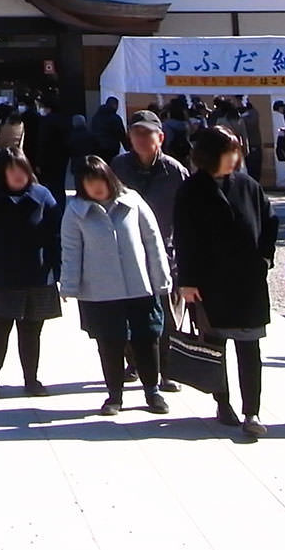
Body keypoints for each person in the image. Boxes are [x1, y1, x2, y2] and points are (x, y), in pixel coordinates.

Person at [174, 124, 278, 439]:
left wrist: (265, 259)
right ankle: (223, 402)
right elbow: (185, 237)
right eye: (229, 151)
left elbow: (270, 222)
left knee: (250, 348)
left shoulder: (248, 185)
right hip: (210, 282)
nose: (235, 157)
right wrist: (188, 280)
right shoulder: (191, 190)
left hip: (247, 281)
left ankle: (252, 410)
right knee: (214, 347)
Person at [60, 155, 170, 416]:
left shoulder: (132, 201)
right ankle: (114, 395)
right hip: (100, 292)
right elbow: (71, 250)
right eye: (89, 181)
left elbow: (152, 241)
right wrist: (69, 285)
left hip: (139, 287)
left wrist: (161, 278)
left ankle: (152, 391)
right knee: (109, 342)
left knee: (147, 338)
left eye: (99, 179)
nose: (96, 186)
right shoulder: (76, 211)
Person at [0, 148, 60, 398]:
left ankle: (31, 379)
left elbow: (57, 238)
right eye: (11, 170)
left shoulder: (43, 197)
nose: (18, 175)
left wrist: (61, 272)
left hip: (37, 275)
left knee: (31, 331)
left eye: (22, 168)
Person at [110, 109, 188, 393]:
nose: (141, 139)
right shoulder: (118, 167)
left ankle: (167, 370)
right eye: (136, 134)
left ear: (161, 137)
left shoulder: (175, 171)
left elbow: (189, 216)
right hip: (127, 254)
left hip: (167, 255)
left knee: (167, 316)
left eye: (147, 134)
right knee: (130, 314)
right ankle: (136, 363)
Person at [90, 96, 126, 162]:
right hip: (111, 149)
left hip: (97, 147)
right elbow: (121, 134)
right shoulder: (115, 118)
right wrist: (128, 148)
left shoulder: (96, 117)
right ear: (115, 105)